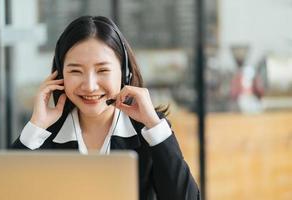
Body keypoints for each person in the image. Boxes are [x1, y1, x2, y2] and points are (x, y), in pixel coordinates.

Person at [11, 16, 200, 200]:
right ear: (59, 76)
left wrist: (153, 124)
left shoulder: (149, 131)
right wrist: (36, 127)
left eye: (102, 70)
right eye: (75, 71)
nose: (90, 86)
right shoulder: (43, 135)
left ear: (124, 73)